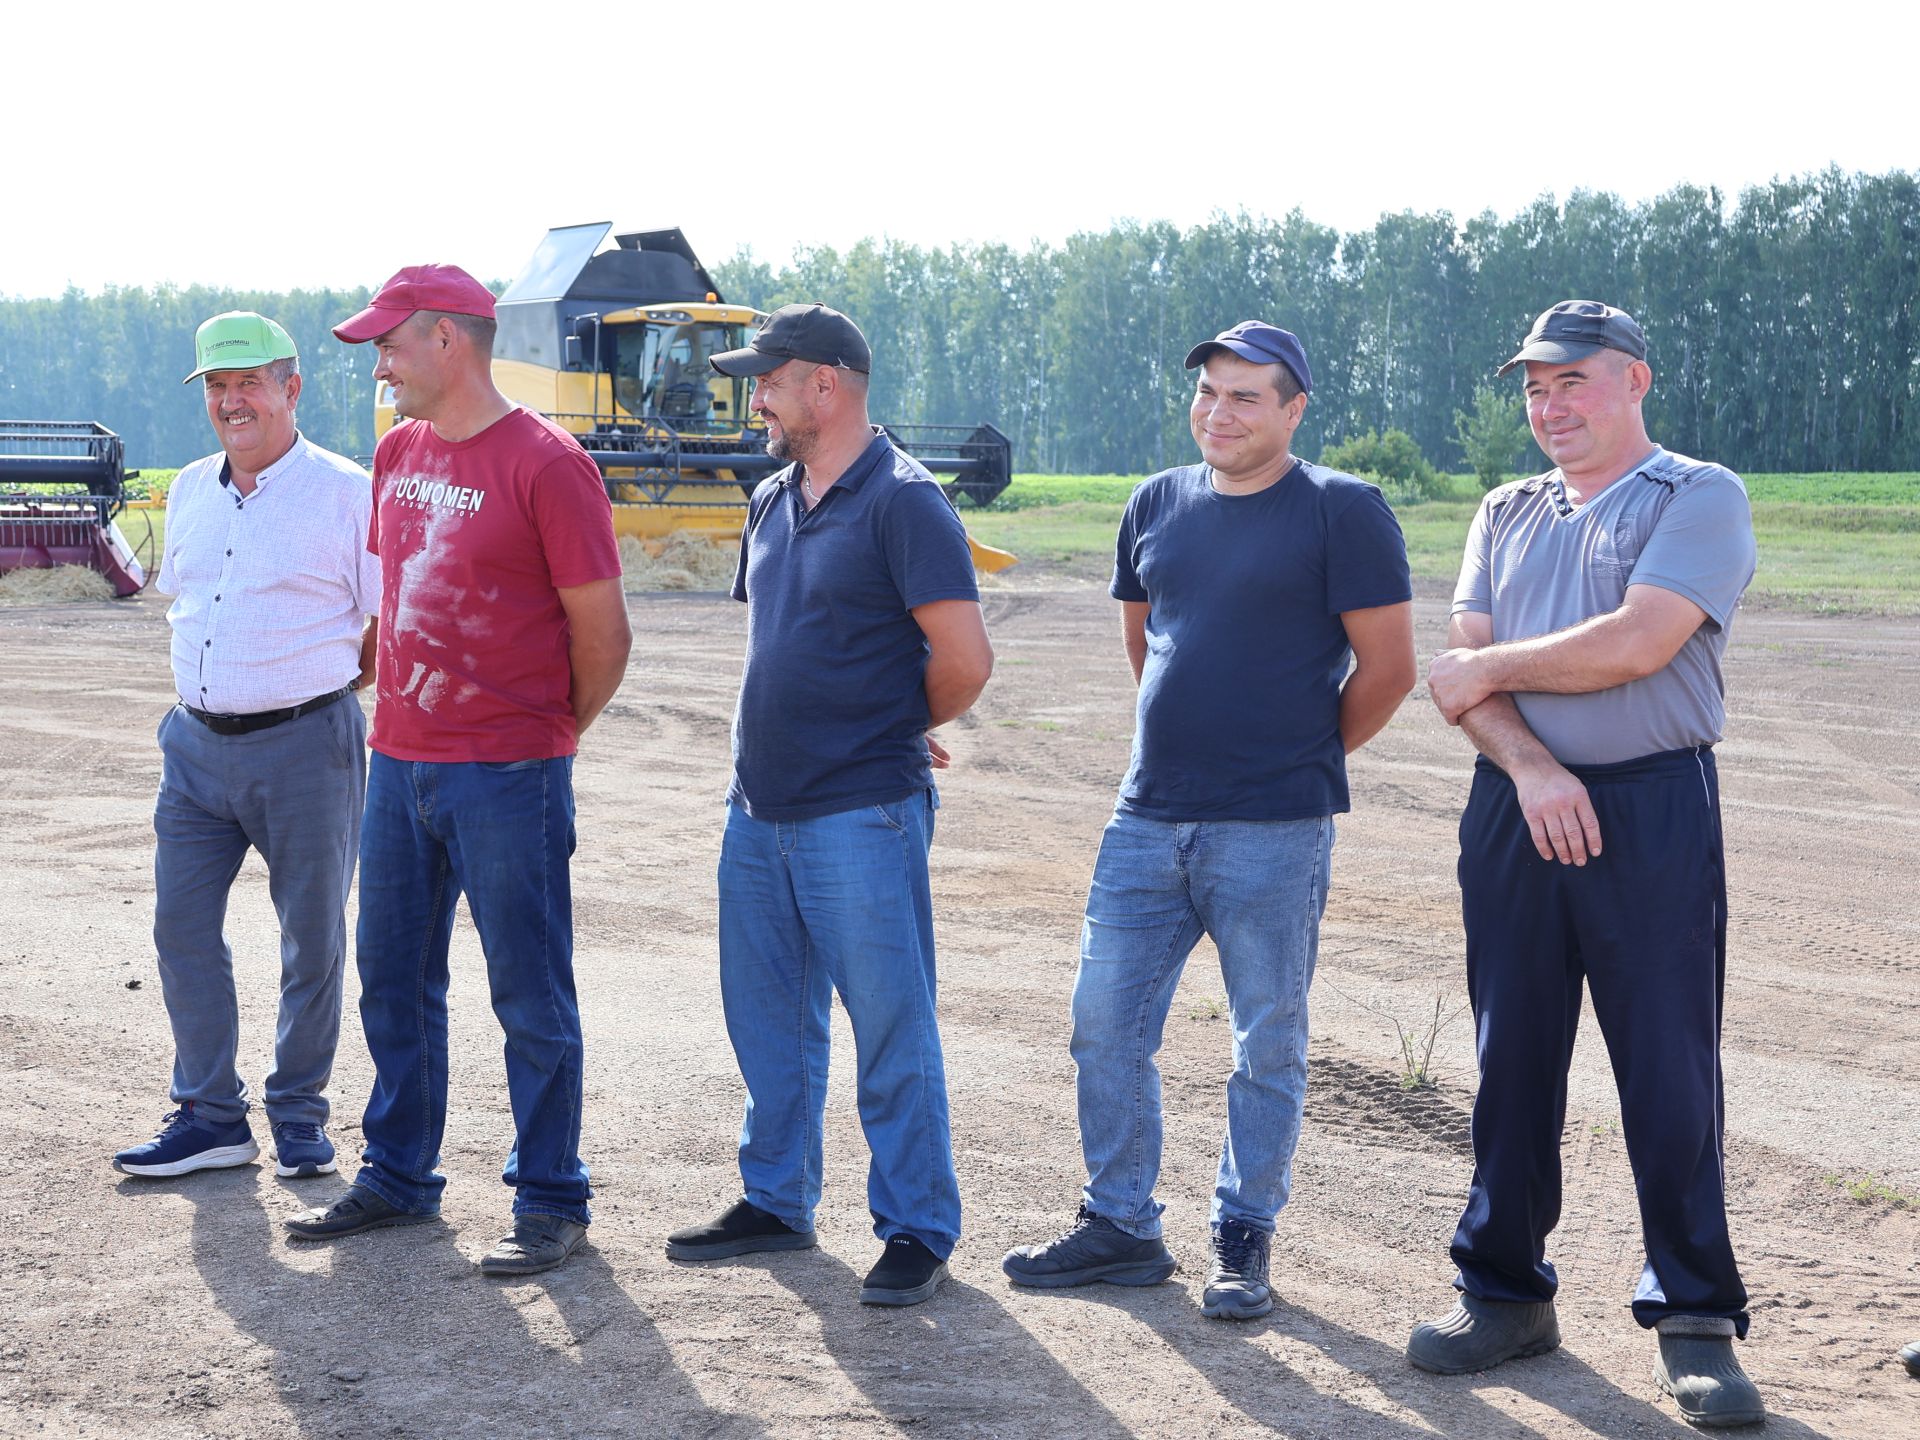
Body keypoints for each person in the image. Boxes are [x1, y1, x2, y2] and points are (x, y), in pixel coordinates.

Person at [1002, 321, 1416, 1319]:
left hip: (1274, 829)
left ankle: (1242, 1239)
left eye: (1244, 397)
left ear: (1293, 410)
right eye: (1207, 394)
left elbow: (1390, 669)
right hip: (1145, 819)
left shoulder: (1342, 511)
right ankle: (1121, 1228)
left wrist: (1295, 759)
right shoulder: (1156, 503)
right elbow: (1148, 647)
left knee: (1265, 1041)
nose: (1217, 414)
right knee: (1104, 1026)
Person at [1412, 301, 1764, 1428]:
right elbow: (1475, 687)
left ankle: (1697, 1319)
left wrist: (1494, 675)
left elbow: (1637, 640)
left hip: (1652, 807)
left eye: (1573, 382)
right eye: (1534, 387)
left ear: (1633, 382)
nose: (1549, 406)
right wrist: (1529, 768)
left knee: (1667, 1067)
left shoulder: (1696, 496)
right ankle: (1503, 1292)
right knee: (1510, 1058)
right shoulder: (1504, 510)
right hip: (1516, 804)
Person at [284, 265, 631, 1278]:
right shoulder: (399, 451)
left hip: (507, 771)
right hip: (399, 763)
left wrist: (548, 731)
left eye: (390, 344)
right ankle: (397, 1175)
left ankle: (551, 1197)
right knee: (391, 980)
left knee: (529, 992)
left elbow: (603, 634)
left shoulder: (547, 464)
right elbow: (402, 596)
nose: (378, 364)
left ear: (450, 341)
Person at [665, 304, 993, 1307]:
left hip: (861, 813)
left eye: (767, 378)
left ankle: (915, 1226)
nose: (752, 396)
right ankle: (777, 1199)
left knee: (889, 1024)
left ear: (826, 385)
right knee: (769, 1021)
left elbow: (966, 661)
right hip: (756, 809)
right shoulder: (771, 499)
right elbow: (788, 648)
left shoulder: (905, 502)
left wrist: (888, 725)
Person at [113, 312, 378, 1184]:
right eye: (218, 388)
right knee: (182, 926)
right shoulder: (190, 487)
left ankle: (299, 1116)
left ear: (291, 389)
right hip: (193, 749)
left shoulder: (347, 493)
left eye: (250, 384)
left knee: (311, 938)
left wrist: (320, 688)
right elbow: (192, 603)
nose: (233, 402)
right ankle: (211, 1116)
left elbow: (385, 627)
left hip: (307, 748)